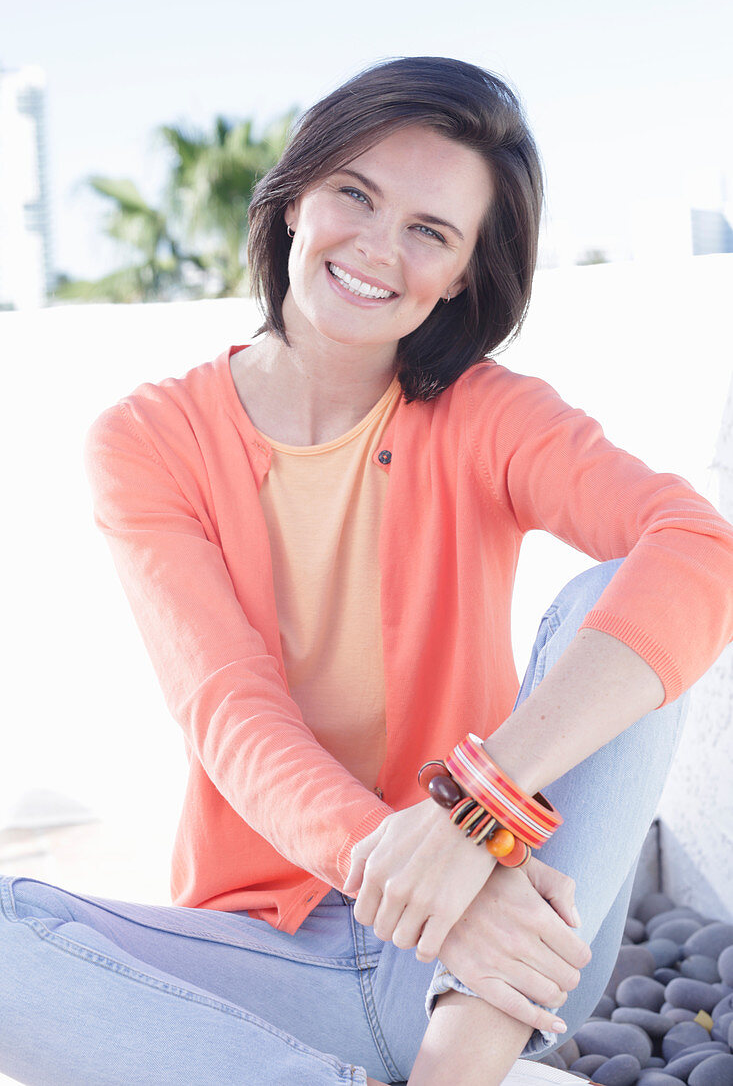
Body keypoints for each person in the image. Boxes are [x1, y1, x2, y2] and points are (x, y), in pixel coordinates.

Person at [1, 55, 732, 1086]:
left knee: (622, 586)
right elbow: (231, 714)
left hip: (501, 958)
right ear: (297, 194)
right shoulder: (148, 440)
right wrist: (419, 877)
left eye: (431, 231)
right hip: (285, 949)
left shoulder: (486, 414)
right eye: (356, 193)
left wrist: (468, 815)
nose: (378, 247)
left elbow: (699, 545)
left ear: (463, 274)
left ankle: (461, 1058)